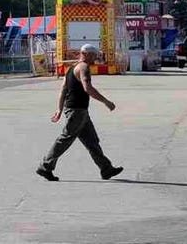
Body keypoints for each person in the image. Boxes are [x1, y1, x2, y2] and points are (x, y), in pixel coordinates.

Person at [37, 43, 123, 182]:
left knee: (92, 141)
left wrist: (60, 109)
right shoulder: (83, 68)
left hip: (79, 110)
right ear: (86, 54)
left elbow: (63, 89)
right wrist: (106, 102)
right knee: (65, 139)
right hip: (77, 111)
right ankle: (45, 166)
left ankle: (106, 168)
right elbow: (87, 87)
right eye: (94, 55)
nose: (96, 58)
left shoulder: (71, 69)